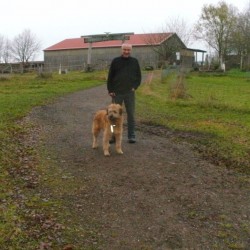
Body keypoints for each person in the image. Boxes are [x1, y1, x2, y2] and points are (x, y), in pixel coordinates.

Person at [107, 43, 141, 143]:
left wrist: (135, 87)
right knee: (112, 116)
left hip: (129, 93)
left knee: (131, 115)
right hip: (117, 93)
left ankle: (131, 135)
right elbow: (110, 77)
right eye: (124, 50)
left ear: (131, 50)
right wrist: (110, 90)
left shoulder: (134, 61)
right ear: (121, 50)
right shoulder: (115, 61)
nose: (126, 51)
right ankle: (113, 136)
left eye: (128, 50)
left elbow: (138, 76)